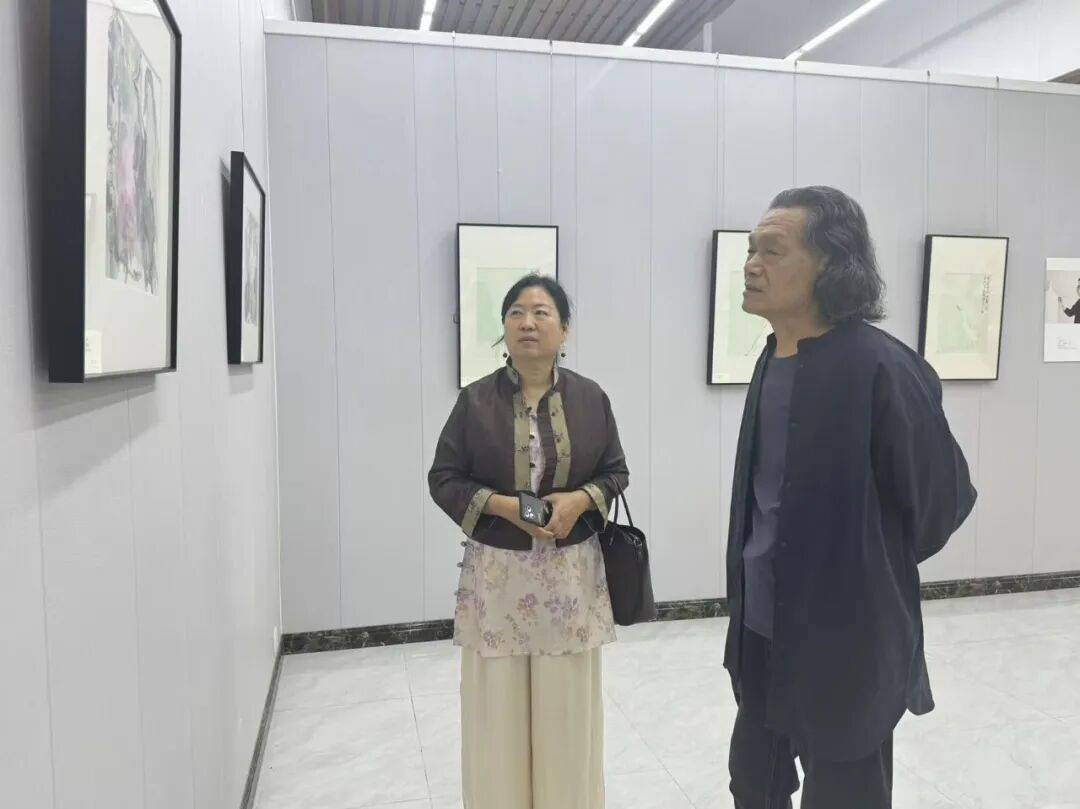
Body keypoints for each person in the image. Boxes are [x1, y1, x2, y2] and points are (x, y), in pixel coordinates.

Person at [724, 186, 978, 808]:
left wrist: (861, 565)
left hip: (846, 643)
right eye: (751, 250)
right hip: (762, 629)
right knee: (754, 783)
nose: (752, 265)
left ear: (831, 264)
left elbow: (941, 503)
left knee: (845, 795)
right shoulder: (771, 357)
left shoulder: (882, 368)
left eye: (772, 251)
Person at [429, 274, 628, 809]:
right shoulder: (475, 401)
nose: (528, 323)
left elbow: (616, 472)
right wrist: (502, 507)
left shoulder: (590, 397)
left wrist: (580, 500)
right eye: (516, 312)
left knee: (567, 711)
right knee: (497, 713)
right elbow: (443, 479)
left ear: (565, 329)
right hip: (499, 577)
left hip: (569, 576)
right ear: (504, 327)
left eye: (542, 313)